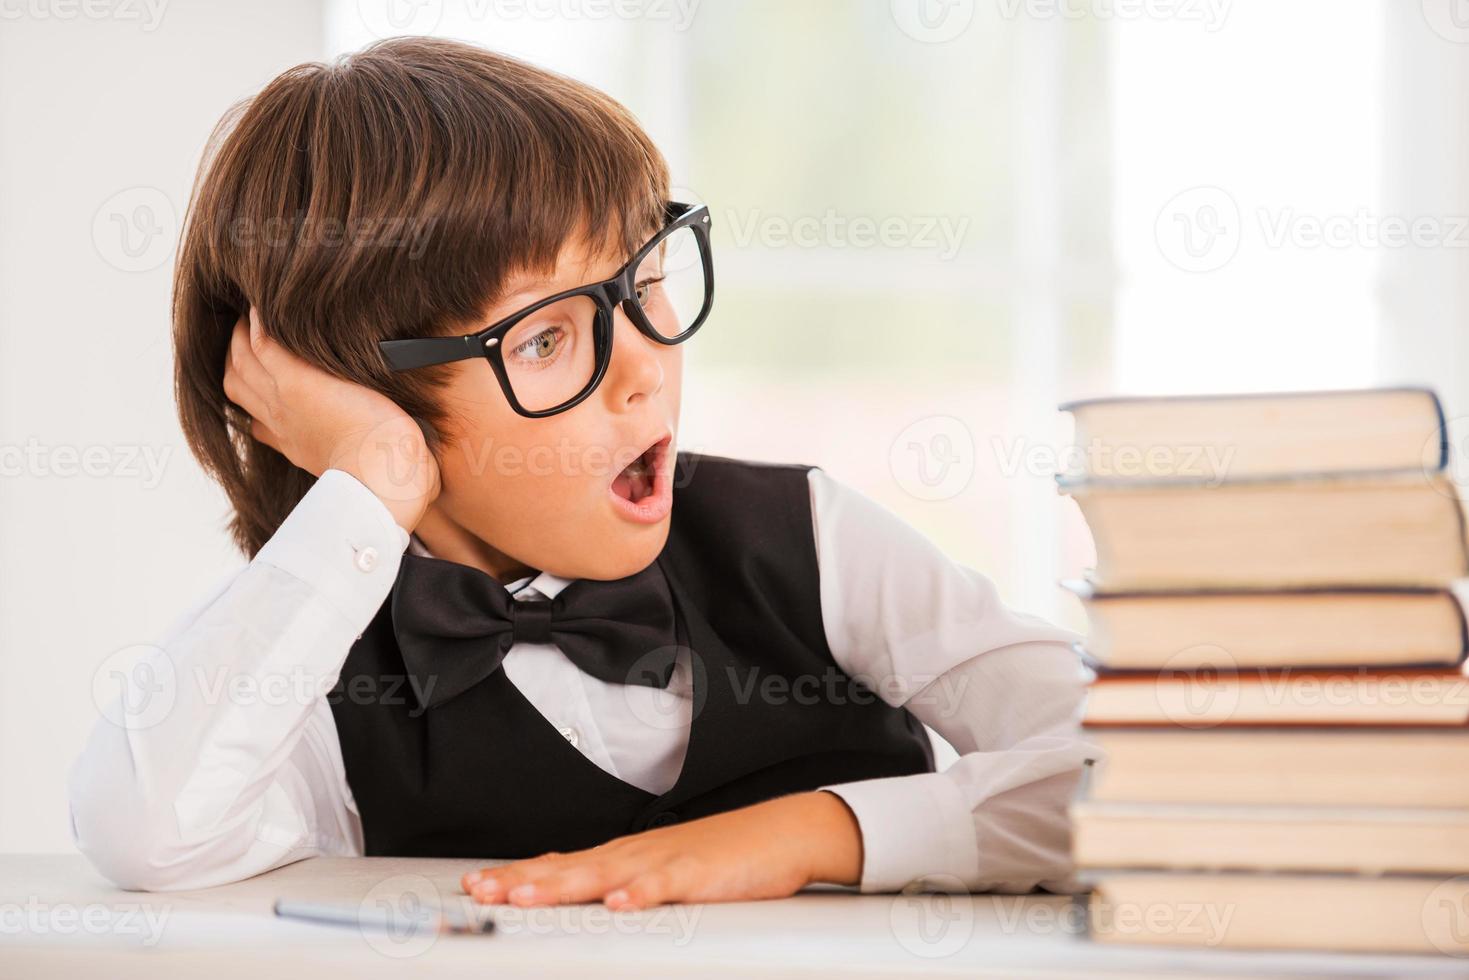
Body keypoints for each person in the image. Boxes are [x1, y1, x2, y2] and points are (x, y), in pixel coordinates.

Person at [67, 36, 1090, 911]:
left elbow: (1150, 770)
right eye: (547, 339)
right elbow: (148, 831)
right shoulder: (322, 685)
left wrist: (816, 832)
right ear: (367, 399)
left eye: (646, 283)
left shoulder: (804, 538)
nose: (644, 365)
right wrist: (371, 480)